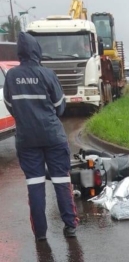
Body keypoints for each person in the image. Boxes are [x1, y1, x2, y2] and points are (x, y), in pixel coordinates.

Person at [3, 32, 79, 241]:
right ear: (37, 51)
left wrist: (26, 117)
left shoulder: (11, 76)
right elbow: (59, 106)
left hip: (27, 140)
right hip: (53, 136)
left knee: (35, 185)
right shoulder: (48, 74)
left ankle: (40, 234)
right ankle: (70, 225)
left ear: (20, 53)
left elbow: (10, 105)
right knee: (62, 180)